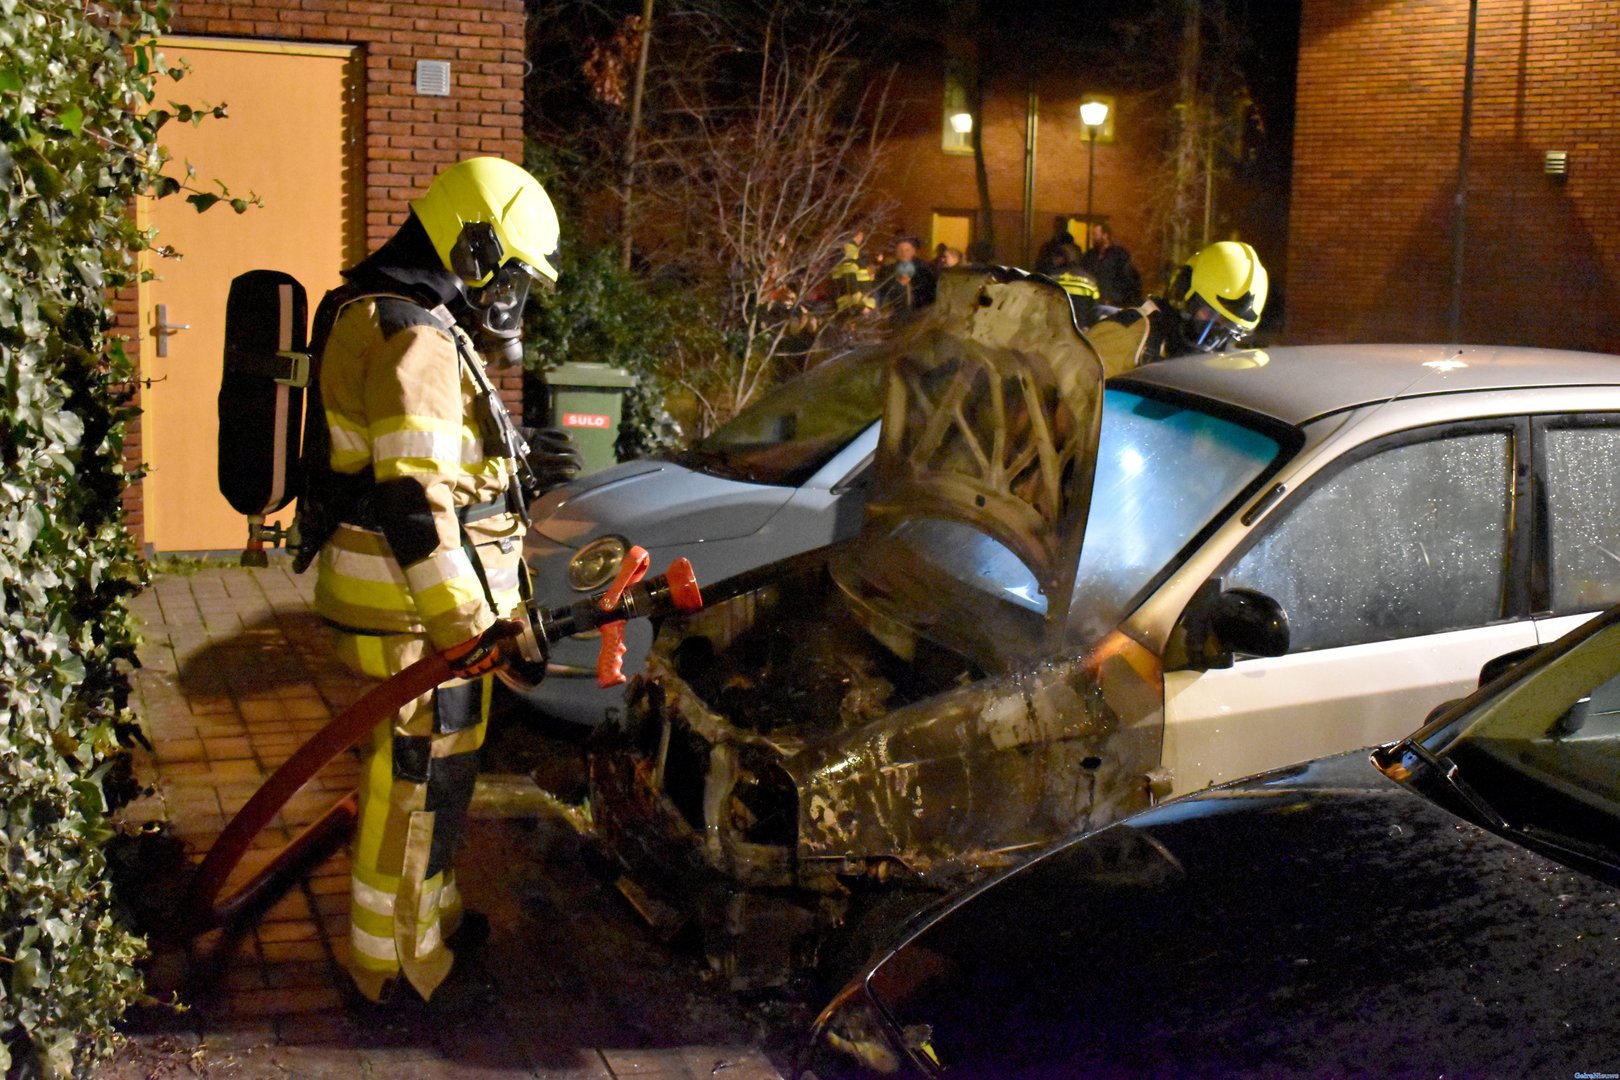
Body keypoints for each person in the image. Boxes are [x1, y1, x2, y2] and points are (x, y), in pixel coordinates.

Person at [306, 156, 564, 1006]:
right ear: (478, 244)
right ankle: (394, 969)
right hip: (417, 613)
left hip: (427, 609)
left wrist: (509, 457)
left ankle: (434, 915)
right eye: (516, 273)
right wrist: (466, 628)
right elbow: (413, 500)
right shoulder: (413, 332)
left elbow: (439, 465)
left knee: (441, 777)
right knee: (412, 785)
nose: (514, 295)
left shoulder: (406, 317)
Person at [1087, 240, 1268, 376]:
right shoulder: (1125, 337)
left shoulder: (1230, 366)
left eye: (1227, 327)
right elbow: (1076, 415)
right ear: (1184, 293)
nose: (1215, 336)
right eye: (1210, 314)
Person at [1079, 222, 1142, 308]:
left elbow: (1127, 278)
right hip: (1092, 304)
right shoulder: (1089, 256)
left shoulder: (1119, 254)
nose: (1092, 238)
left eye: (1095, 234)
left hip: (1113, 304)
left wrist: (1117, 299)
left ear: (1105, 235)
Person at [874, 233, 937, 314]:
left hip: (919, 314)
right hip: (895, 314)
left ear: (914, 251)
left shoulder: (924, 269)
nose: (904, 253)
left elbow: (930, 292)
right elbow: (881, 292)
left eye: (907, 250)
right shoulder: (887, 271)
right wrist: (898, 284)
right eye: (900, 250)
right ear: (896, 252)